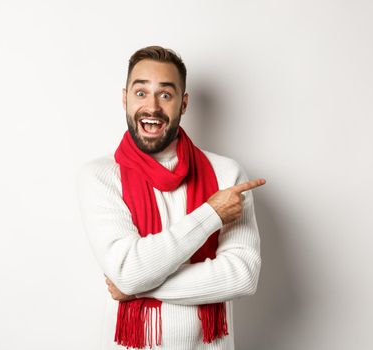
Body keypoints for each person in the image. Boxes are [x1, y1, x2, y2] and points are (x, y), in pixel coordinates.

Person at [77, 45, 266, 349]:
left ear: (184, 103)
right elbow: (127, 270)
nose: (152, 106)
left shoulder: (226, 174)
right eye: (141, 93)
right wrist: (211, 215)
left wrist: (138, 289)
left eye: (165, 94)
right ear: (125, 98)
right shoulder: (100, 176)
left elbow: (242, 275)